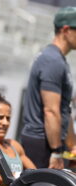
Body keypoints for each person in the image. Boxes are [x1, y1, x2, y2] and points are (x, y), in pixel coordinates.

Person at [21, 7, 76, 169]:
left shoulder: (57, 59)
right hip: (42, 142)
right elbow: (51, 111)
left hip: (49, 141)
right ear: (65, 30)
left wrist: (71, 145)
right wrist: (56, 151)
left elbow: (63, 109)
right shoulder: (52, 61)